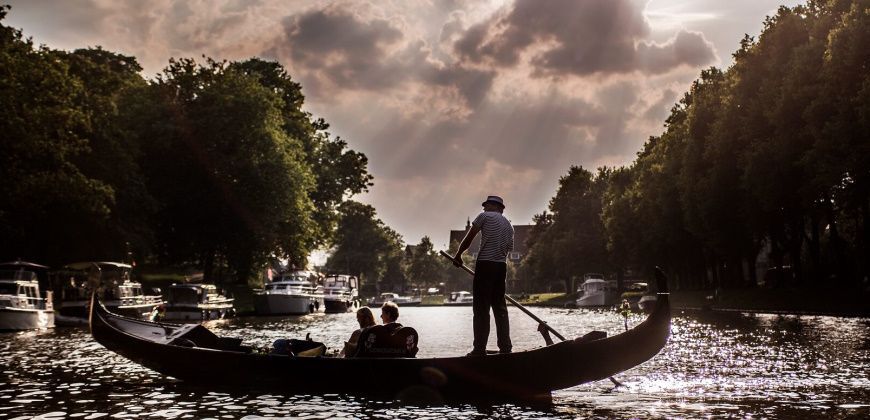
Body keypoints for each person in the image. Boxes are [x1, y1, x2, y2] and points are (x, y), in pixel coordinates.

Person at [453, 195, 514, 356]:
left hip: (485, 265)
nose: (484, 208)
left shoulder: (484, 216)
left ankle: (479, 349)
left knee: (481, 309)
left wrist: (458, 254)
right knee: (500, 308)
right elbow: (508, 250)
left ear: (495, 207)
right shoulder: (509, 226)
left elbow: (469, 237)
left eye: (486, 205)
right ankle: (506, 348)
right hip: (501, 267)